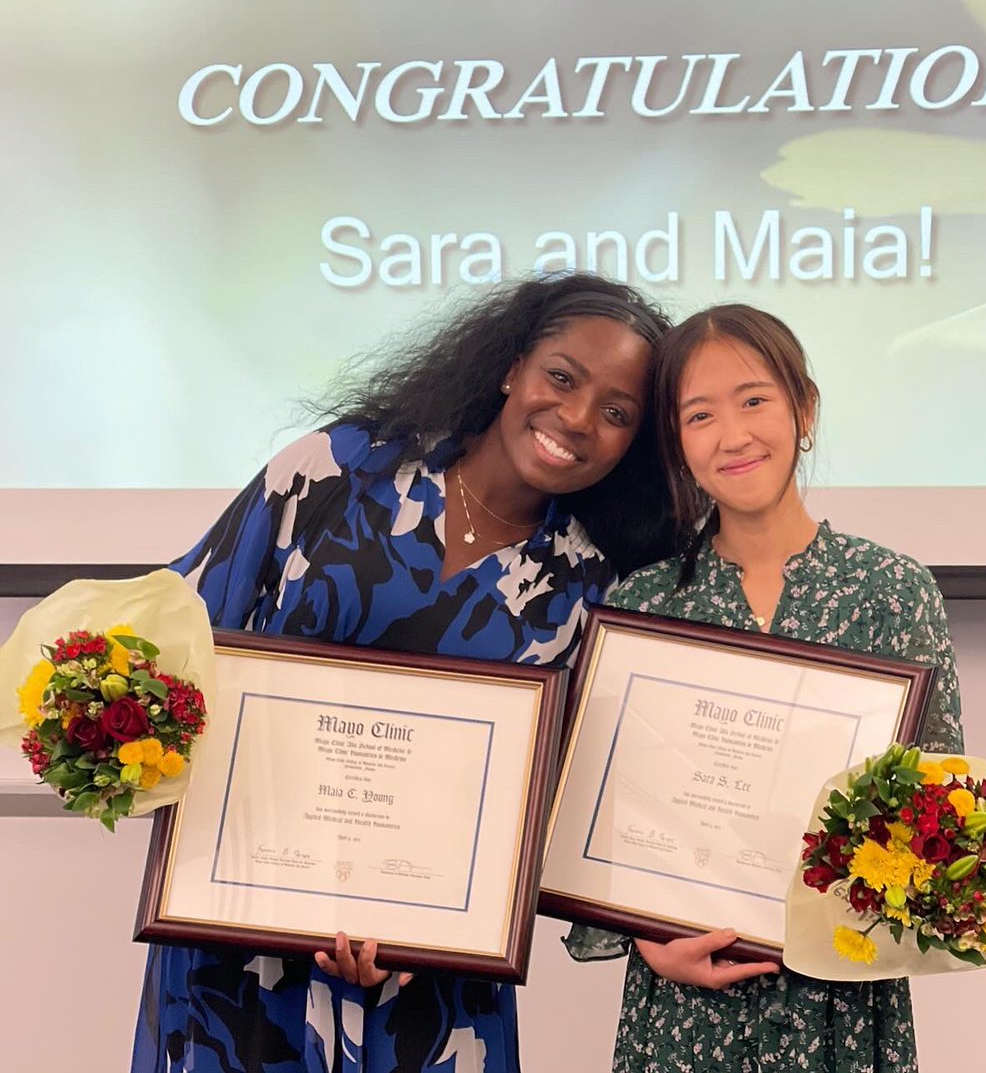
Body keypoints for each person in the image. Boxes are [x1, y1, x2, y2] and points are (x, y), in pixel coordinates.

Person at [131, 273, 675, 1073]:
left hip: (430, 991)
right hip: (234, 954)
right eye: (561, 377)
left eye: (618, 412)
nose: (577, 418)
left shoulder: (592, 591)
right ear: (512, 366)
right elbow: (176, 635)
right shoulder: (333, 470)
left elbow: (555, 807)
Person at [566, 303, 964, 1073]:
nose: (733, 434)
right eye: (699, 414)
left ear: (803, 409)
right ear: (677, 444)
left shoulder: (891, 590)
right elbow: (600, 820)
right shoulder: (643, 604)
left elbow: (941, 806)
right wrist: (646, 937)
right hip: (683, 1007)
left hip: (840, 998)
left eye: (754, 400)